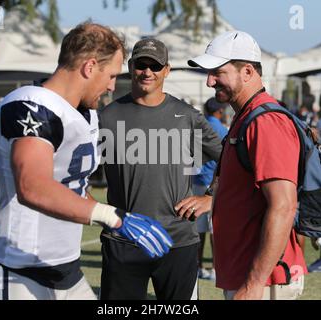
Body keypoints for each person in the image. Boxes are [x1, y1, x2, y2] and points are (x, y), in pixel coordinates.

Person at [0, 22, 172, 300]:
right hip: (18, 268)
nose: (111, 86)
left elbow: (72, 183)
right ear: (90, 66)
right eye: (111, 75)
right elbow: (32, 186)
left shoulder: (87, 114)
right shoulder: (30, 105)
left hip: (67, 269)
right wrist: (112, 216)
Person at [184, 30, 307, 300]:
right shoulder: (248, 116)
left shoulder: (265, 122)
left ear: (248, 72)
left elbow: (284, 205)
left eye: (218, 72)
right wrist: (213, 201)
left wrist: (254, 283)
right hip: (251, 275)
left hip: (265, 280)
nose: (209, 81)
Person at [98, 38, 222, 300]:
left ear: (166, 70)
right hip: (123, 239)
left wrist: (211, 196)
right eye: (141, 65)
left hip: (178, 242)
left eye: (155, 66)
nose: (147, 72)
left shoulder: (186, 116)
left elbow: (231, 157)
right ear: (131, 67)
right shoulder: (106, 117)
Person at [192, 98, 228, 280]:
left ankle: (197, 267)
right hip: (212, 182)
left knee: (198, 228)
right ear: (220, 111)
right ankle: (216, 268)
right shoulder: (221, 129)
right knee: (215, 228)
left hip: (196, 179)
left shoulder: (199, 125)